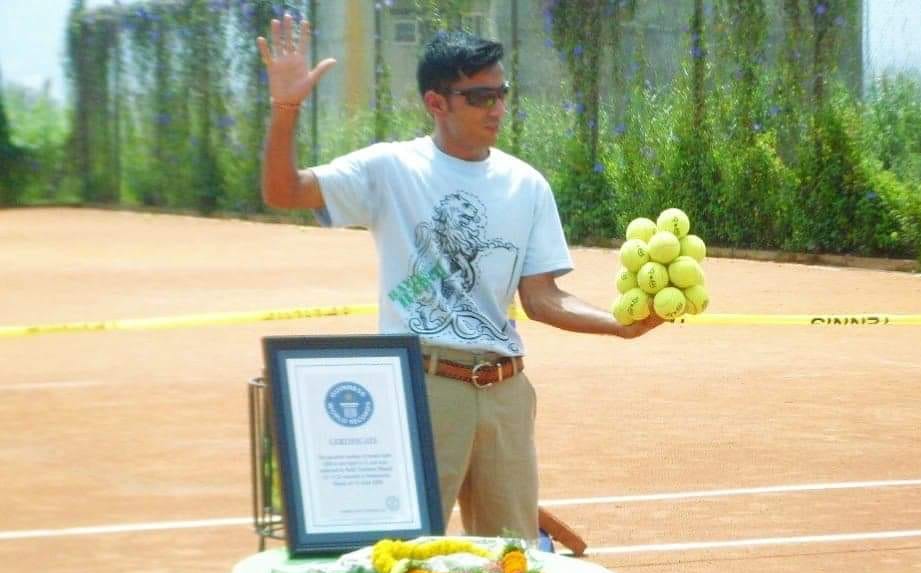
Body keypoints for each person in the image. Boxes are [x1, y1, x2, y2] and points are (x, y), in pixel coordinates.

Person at [257, 15, 664, 544]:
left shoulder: (526, 185)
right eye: (479, 97)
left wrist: (619, 325)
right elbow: (284, 191)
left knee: (512, 558)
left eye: (501, 93)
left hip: (505, 389)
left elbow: (541, 298)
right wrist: (286, 108)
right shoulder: (390, 169)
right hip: (424, 386)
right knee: (407, 553)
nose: (496, 108)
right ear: (436, 102)